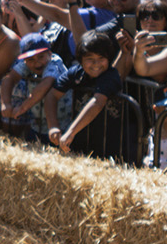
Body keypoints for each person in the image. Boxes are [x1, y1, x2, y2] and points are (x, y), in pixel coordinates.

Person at [50, 29, 129, 159]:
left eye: (101, 58)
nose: (96, 64)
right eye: (90, 59)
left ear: (109, 59)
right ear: (80, 59)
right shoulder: (76, 72)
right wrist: (53, 126)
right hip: (80, 144)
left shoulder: (111, 76)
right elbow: (52, 95)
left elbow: (97, 102)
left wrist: (71, 132)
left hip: (108, 147)